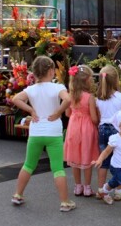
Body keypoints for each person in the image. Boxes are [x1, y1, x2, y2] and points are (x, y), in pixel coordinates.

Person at [11, 56, 75, 212]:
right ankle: (65, 202)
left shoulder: (31, 89)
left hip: (36, 131)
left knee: (28, 165)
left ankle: (18, 194)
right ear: (52, 71)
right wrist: (58, 112)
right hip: (53, 132)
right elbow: (68, 100)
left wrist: (31, 110)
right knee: (58, 168)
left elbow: (16, 99)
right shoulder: (57, 87)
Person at [95, 64, 121, 204]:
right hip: (117, 131)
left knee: (103, 161)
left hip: (103, 129)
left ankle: (101, 189)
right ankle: (118, 191)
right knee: (120, 162)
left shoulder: (99, 98)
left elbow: (98, 117)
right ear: (116, 80)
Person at [63, 65, 99, 197]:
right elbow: (94, 118)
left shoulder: (70, 95)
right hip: (87, 129)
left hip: (73, 127)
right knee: (87, 156)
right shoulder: (90, 97)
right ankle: (87, 187)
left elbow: (67, 113)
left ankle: (78, 187)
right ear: (86, 81)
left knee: (75, 156)